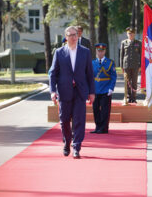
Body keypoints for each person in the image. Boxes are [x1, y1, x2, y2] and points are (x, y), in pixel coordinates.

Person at [49, 26, 95, 159]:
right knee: (64, 120)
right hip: (64, 92)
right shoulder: (59, 52)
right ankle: (67, 142)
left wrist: (92, 92)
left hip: (80, 92)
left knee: (79, 120)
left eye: (75, 35)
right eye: (71, 35)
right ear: (66, 37)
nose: (74, 37)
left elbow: (90, 74)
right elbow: (53, 73)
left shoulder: (85, 52)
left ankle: (77, 147)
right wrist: (53, 91)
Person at [91, 43, 117, 134]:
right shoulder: (92, 63)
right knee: (95, 109)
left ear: (105, 51)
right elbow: (90, 77)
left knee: (105, 110)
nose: (100, 53)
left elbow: (113, 76)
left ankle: (104, 128)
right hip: (95, 89)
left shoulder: (110, 63)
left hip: (106, 89)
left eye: (102, 51)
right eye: (98, 51)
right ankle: (97, 127)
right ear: (96, 51)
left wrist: (111, 88)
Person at [120, 27, 141, 103]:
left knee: (134, 82)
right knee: (127, 81)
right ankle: (128, 96)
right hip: (126, 65)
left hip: (135, 65)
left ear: (134, 34)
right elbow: (121, 55)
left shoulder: (138, 43)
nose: (130, 35)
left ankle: (134, 97)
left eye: (132, 34)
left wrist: (140, 66)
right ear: (127, 34)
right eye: (129, 33)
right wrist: (121, 66)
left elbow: (141, 55)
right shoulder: (123, 42)